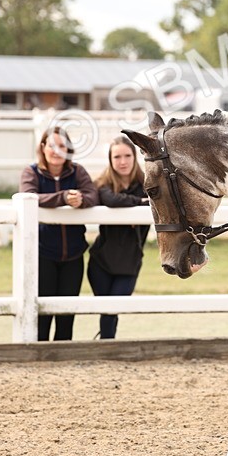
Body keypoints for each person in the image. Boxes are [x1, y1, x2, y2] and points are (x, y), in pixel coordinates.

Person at [20, 127, 98, 341]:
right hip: (43, 253)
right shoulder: (31, 172)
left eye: (62, 146)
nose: (56, 151)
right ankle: (39, 355)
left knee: (67, 313)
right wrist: (62, 198)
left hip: (74, 255)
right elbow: (28, 197)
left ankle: (62, 356)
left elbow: (93, 195)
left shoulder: (77, 171)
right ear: (43, 148)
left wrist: (81, 200)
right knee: (42, 312)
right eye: (52, 145)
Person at [87, 136, 149, 339]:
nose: (122, 161)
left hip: (130, 261)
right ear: (110, 160)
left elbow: (155, 203)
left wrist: (136, 204)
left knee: (113, 309)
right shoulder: (103, 184)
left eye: (127, 156)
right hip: (101, 260)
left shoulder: (147, 185)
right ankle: (107, 344)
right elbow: (111, 200)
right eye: (117, 157)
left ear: (134, 157)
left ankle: (106, 343)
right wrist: (139, 203)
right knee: (106, 311)